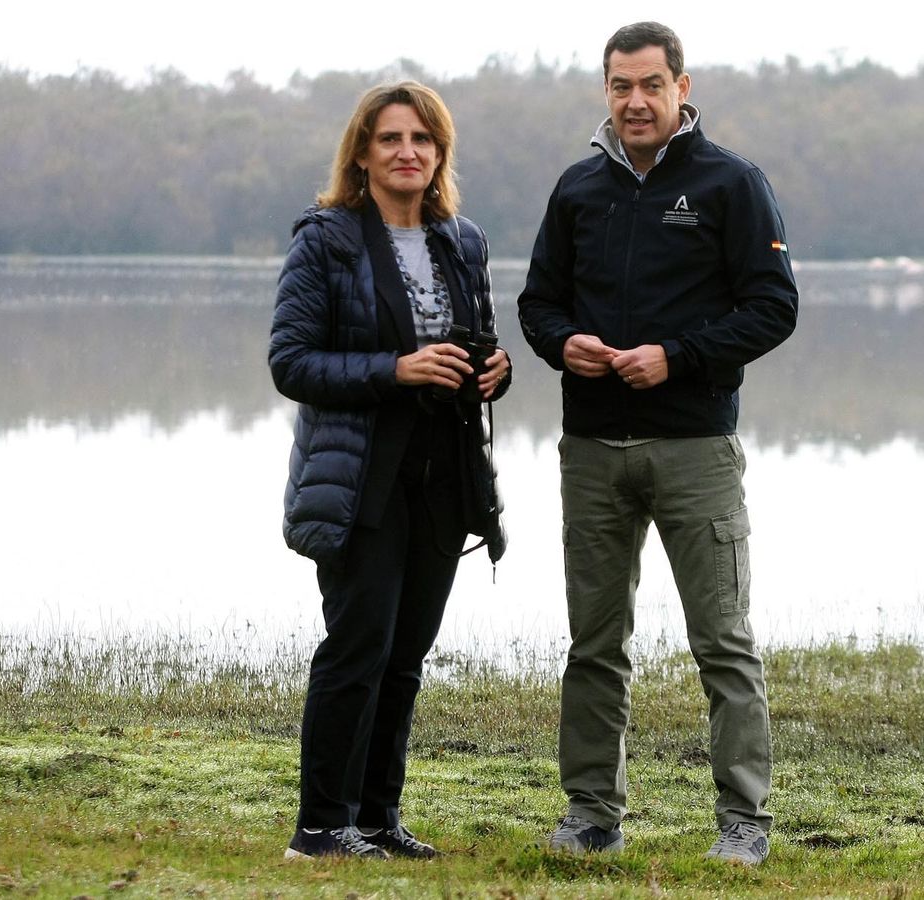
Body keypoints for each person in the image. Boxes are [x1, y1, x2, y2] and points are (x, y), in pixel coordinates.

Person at [517, 21, 798, 866]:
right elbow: (538, 304)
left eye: (649, 84)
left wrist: (675, 358)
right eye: (619, 86)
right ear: (605, 92)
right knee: (593, 645)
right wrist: (561, 342)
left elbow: (773, 309)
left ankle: (743, 824)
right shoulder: (577, 189)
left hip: (694, 450)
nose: (634, 101)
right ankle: (590, 814)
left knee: (724, 642)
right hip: (591, 449)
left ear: (681, 87)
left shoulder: (730, 183)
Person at [270, 80, 510, 860]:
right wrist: (396, 369)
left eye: (423, 139)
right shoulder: (327, 239)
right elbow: (292, 362)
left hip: (445, 476)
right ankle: (319, 827)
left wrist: (494, 371)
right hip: (361, 476)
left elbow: (480, 343)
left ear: (440, 154)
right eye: (390, 139)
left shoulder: (462, 240)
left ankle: (377, 819)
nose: (408, 152)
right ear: (363, 154)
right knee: (357, 647)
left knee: (406, 655)